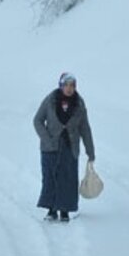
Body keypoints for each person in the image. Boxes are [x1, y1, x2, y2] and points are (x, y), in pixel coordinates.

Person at [33, 72, 95, 222]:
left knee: (68, 179)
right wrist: (47, 139)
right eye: (66, 85)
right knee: (50, 177)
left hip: (70, 147)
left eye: (72, 85)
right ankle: (51, 209)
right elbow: (38, 121)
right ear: (61, 85)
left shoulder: (79, 104)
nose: (69, 88)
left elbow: (85, 128)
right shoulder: (50, 100)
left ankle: (65, 211)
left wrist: (90, 151)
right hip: (50, 148)